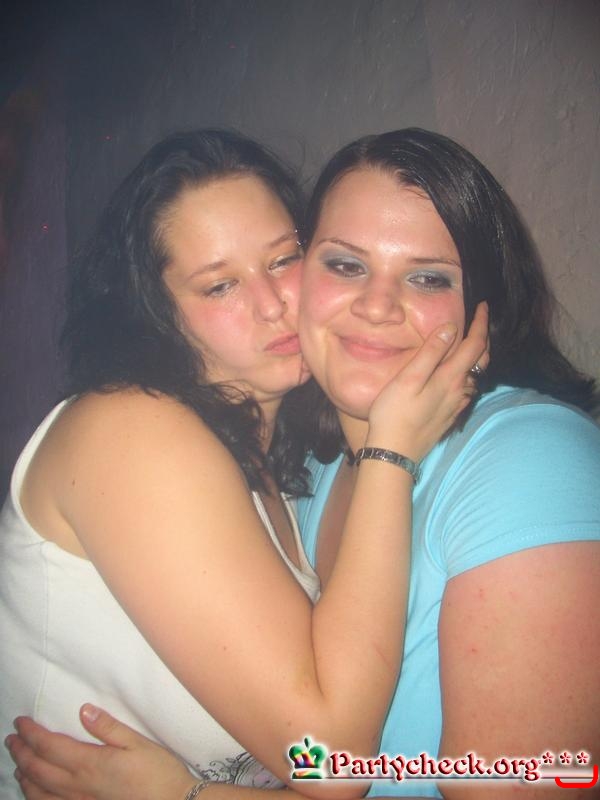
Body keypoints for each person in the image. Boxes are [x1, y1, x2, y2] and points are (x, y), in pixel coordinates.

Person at [7, 127, 598, 799]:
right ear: (158, 314)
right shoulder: (150, 435)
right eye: (220, 285)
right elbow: (327, 756)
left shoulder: (514, 455)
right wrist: (388, 452)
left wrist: (184, 796)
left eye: (283, 260)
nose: (273, 305)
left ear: (484, 303)